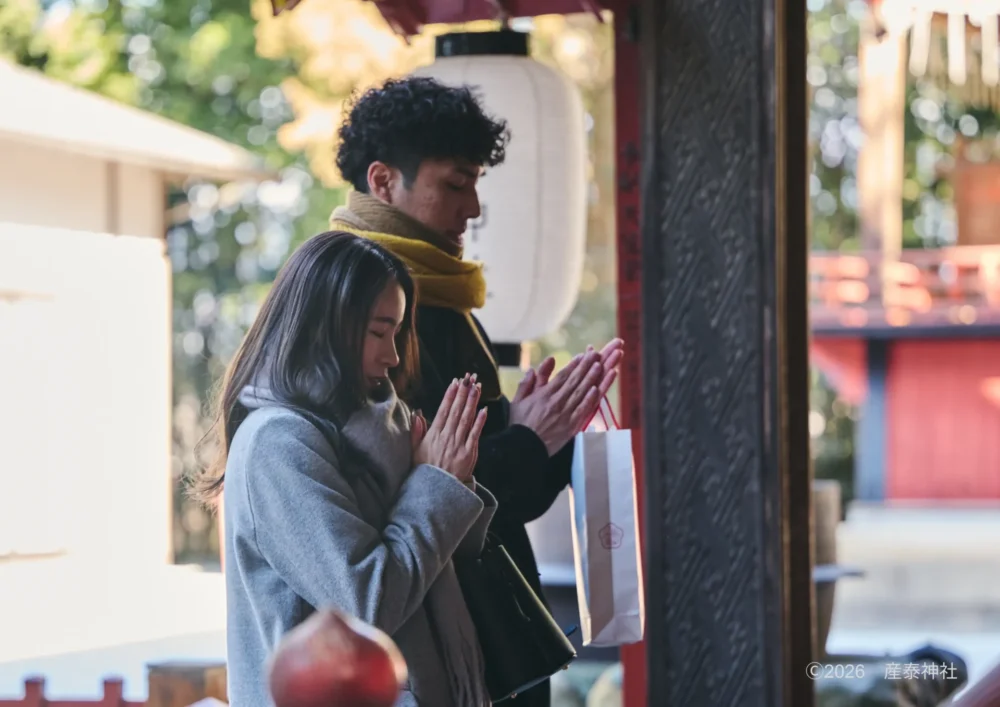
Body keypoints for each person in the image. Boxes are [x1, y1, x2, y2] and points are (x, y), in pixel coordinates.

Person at [331, 77, 624, 707]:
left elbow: (501, 500)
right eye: (454, 184)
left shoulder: (441, 295)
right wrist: (525, 437)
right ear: (383, 181)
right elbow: (401, 493)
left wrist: (548, 430)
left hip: (496, 627)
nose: (473, 208)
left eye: (476, 184)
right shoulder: (350, 306)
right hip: (429, 640)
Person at [196, 231, 496, 707]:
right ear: (324, 326)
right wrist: (433, 486)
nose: (393, 356)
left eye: (396, 333)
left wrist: (448, 480)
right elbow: (365, 603)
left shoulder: (376, 429)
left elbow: (431, 558)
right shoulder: (279, 443)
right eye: (379, 332)